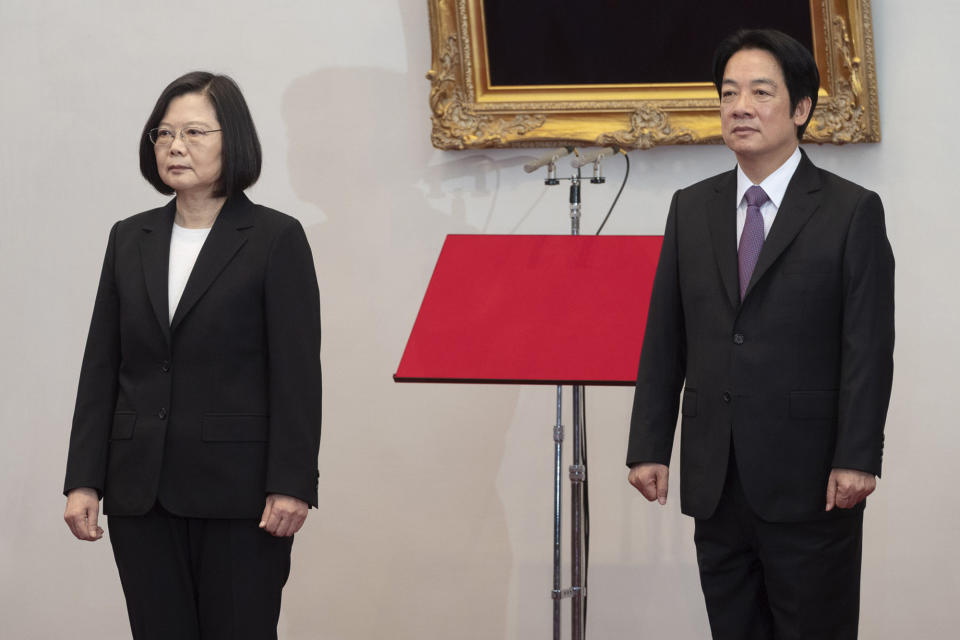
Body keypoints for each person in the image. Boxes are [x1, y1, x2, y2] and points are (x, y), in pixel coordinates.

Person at [626, 29, 894, 639]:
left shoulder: (851, 211)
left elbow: (868, 348)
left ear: (800, 109)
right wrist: (648, 443)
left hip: (812, 481)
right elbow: (665, 335)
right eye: (728, 93)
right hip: (716, 478)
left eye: (760, 92)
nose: (739, 106)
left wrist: (857, 457)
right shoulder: (690, 208)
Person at [62, 71, 322, 639]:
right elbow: (101, 364)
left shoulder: (276, 238)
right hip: (139, 492)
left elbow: (298, 374)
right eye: (163, 133)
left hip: (241, 494)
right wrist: (84, 478)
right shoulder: (129, 238)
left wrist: (293, 481)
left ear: (234, 142)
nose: (175, 146)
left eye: (194, 132)